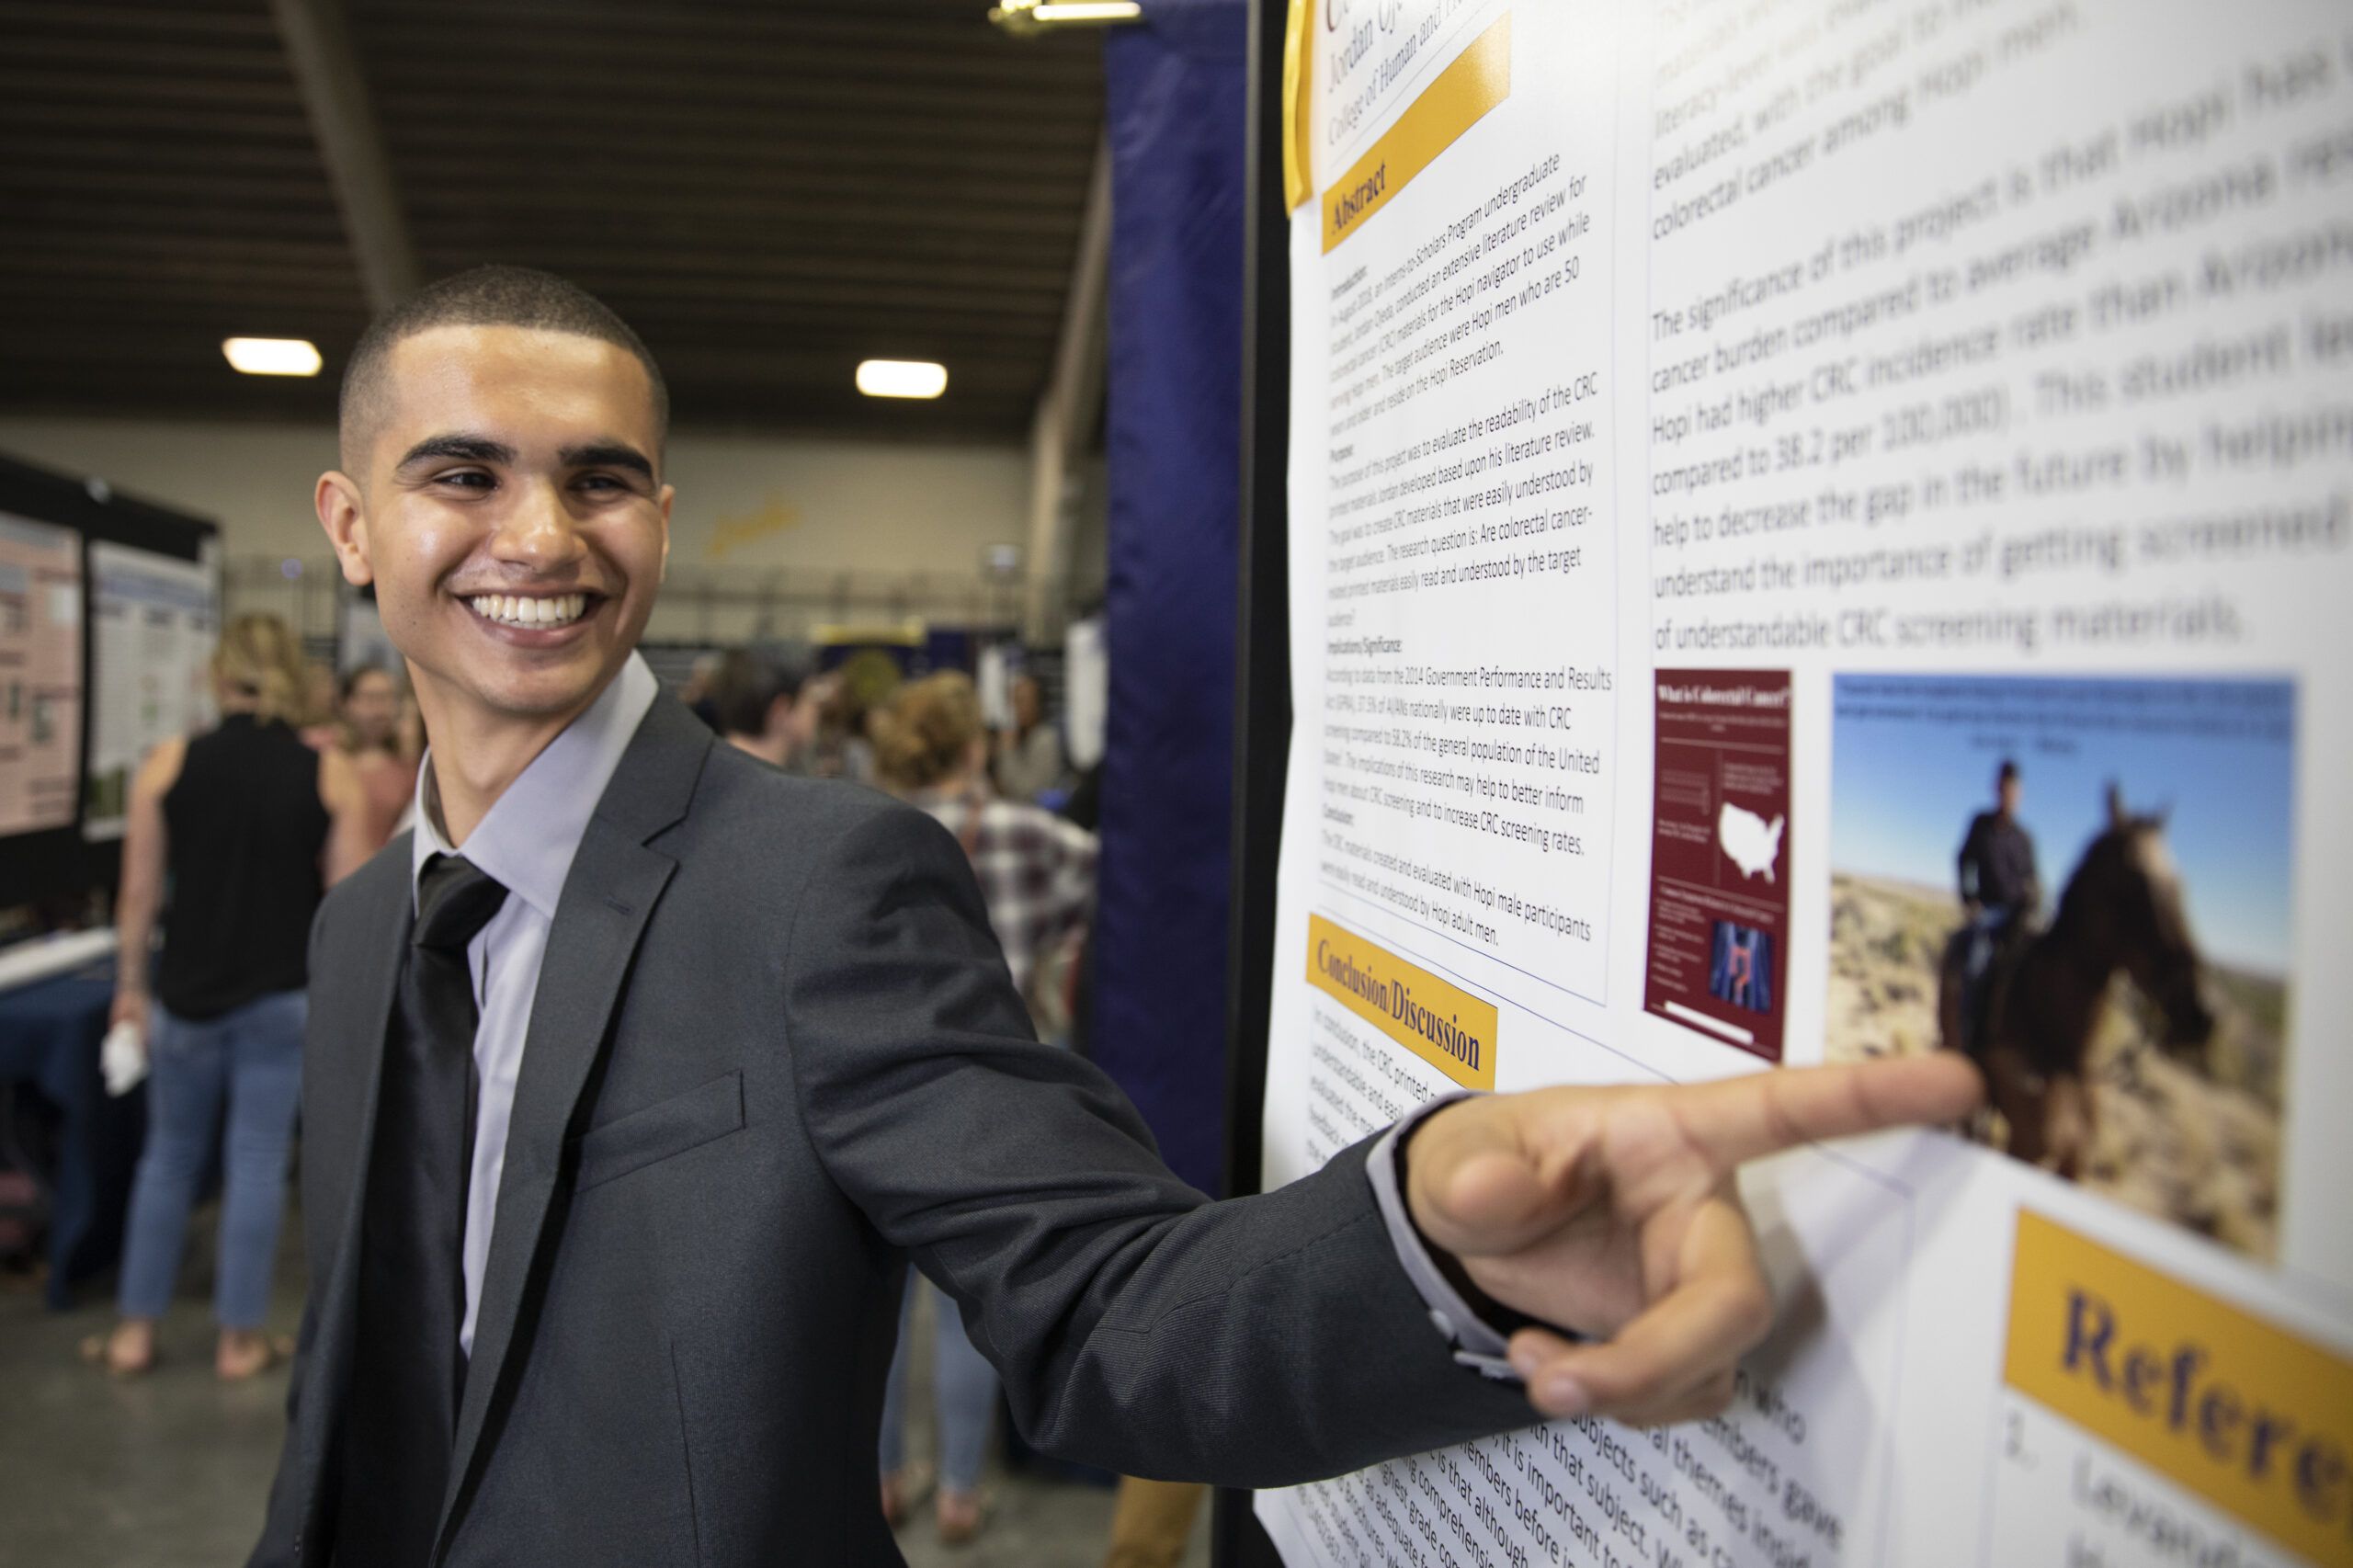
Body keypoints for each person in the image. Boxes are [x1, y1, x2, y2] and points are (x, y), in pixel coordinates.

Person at [253, 266, 1978, 1567]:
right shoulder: (357, 939)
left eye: (600, 479)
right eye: (463, 475)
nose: (540, 534)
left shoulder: (814, 882)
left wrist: (1437, 1249)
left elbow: (1102, 1305)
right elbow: (374, 1377)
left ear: (663, 521)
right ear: (352, 526)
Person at [89, 613, 372, 1381]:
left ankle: (133, 1334)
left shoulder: (168, 763)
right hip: (283, 998)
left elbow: (139, 893)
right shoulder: (329, 773)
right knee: (255, 1163)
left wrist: (128, 992)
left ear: (220, 677)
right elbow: (348, 910)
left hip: (185, 995)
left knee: (168, 1161)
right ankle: (238, 1342)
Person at [870, 671, 1098, 1543]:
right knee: (975, 1304)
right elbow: (1108, 898)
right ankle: (964, 1492)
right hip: (1006, 1092)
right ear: (976, 747)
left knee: (881, 1307)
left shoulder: (860, 835)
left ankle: (887, 1479)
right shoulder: (1028, 833)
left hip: (884, 1088)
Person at [1957, 759, 2040, 1042]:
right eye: (2005, 789)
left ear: (2020, 795)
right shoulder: (1980, 824)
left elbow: (2033, 879)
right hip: (1990, 911)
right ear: (1997, 789)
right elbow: (1963, 859)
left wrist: (2034, 898)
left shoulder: (2025, 838)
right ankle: (1968, 1031)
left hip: (2020, 915)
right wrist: (1968, 898)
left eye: (2014, 791)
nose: (2009, 796)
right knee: (1977, 959)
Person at [336, 664, 423, 849]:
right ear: (347, 703)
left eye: (387, 698)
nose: (379, 710)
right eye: (370, 698)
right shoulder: (326, 757)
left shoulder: (410, 770)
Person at [709, 646, 821, 772]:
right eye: (812, 698)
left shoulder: (708, 773)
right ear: (780, 712)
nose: (817, 710)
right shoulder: (775, 788)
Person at [993, 670, 1063, 803]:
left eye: (1023, 700)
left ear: (1038, 703)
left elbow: (1025, 792)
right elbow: (999, 786)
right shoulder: (1018, 736)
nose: (1018, 707)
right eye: (1014, 700)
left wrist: (1007, 751)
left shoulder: (1045, 739)